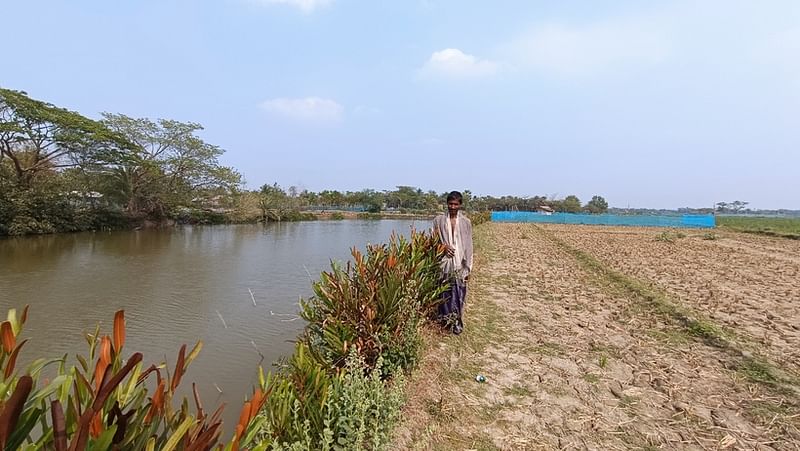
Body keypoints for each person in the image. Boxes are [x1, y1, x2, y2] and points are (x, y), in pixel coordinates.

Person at [432, 191, 473, 335]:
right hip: (444, 264)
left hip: (459, 264)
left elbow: (469, 246)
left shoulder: (466, 222)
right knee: (444, 294)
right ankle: (444, 323)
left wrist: (468, 267)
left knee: (458, 293)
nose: (453, 207)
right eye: (450, 204)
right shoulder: (439, 220)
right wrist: (444, 247)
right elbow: (434, 241)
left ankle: (456, 323)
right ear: (447, 204)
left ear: (460, 205)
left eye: (456, 204)